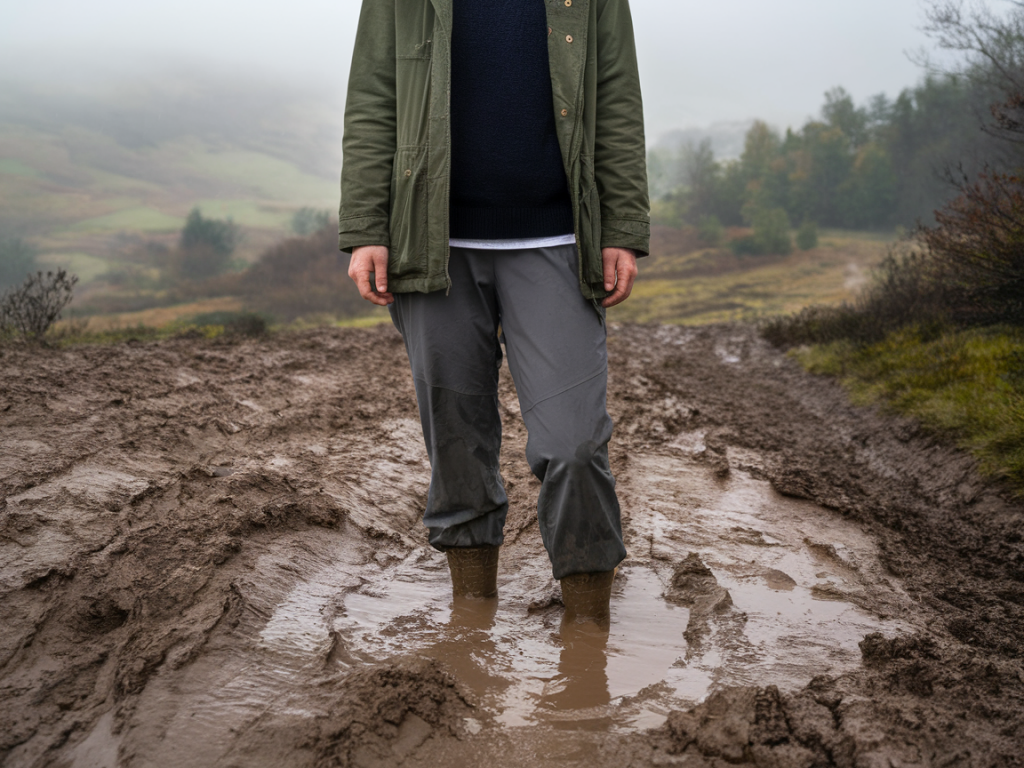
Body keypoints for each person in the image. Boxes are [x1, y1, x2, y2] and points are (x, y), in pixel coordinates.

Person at [339, 0, 649, 627]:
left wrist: (621, 225)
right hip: (434, 244)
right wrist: (366, 227)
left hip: (558, 241)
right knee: (457, 442)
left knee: (574, 443)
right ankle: (471, 618)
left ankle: (589, 634)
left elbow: (616, 99)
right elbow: (373, 98)